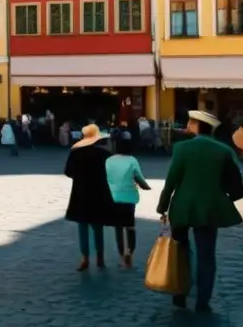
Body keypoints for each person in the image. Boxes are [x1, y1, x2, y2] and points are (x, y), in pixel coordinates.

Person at [156, 110, 243, 312]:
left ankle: (180, 292)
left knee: (180, 251)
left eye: (190, 121)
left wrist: (162, 206)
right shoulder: (223, 151)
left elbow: (171, 181)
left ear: (197, 125)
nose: (187, 124)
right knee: (206, 255)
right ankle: (203, 300)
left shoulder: (181, 149)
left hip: (182, 209)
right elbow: (235, 186)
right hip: (209, 210)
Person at [64, 124, 118, 272]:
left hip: (81, 193)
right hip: (99, 193)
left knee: (83, 227)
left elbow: (68, 171)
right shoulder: (103, 154)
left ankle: (85, 258)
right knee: (98, 226)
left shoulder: (76, 153)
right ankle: (100, 258)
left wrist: (80, 176)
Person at [105, 135, 150, 268]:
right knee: (130, 226)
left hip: (112, 197)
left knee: (118, 228)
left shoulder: (109, 160)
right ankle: (129, 251)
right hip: (129, 197)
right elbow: (138, 178)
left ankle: (121, 255)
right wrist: (146, 187)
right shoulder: (132, 160)